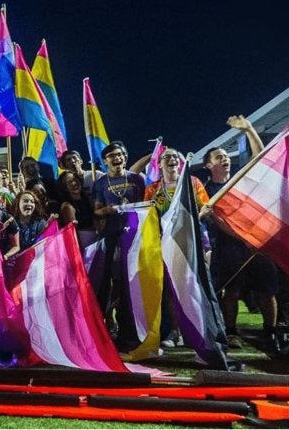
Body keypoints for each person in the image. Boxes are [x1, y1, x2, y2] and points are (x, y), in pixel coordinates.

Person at [200, 115, 279, 352]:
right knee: (231, 290)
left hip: (258, 243)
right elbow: (216, 218)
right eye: (219, 157)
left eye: (226, 156)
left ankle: (270, 332)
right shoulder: (205, 190)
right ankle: (231, 332)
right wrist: (242, 236)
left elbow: (261, 158)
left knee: (265, 289)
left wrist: (249, 129)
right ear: (208, 165)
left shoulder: (241, 179)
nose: (225, 159)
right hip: (229, 246)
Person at [143, 147, 210, 348]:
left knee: (196, 285)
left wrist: (194, 218)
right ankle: (174, 332)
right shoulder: (153, 188)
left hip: (193, 239)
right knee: (171, 288)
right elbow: (147, 214)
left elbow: (205, 206)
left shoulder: (192, 182)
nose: (171, 159)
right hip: (165, 242)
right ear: (159, 164)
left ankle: (200, 330)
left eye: (175, 156)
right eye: (166, 157)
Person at [92, 141, 146, 352]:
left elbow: (147, 203)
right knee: (111, 284)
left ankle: (131, 333)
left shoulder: (137, 180)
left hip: (135, 237)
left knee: (132, 285)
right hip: (112, 238)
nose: (116, 158)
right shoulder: (101, 183)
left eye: (120, 154)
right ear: (105, 161)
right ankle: (106, 329)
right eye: (111, 156)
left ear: (125, 157)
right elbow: (96, 212)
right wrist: (111, 210)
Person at [56, 170, 97, 250]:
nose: (74, 183)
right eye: (69, 182)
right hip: (83, 243)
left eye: (75, 179)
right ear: (64, 187)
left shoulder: (87, 199)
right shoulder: (67, 206)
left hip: (95, 239)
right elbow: (72, 233)